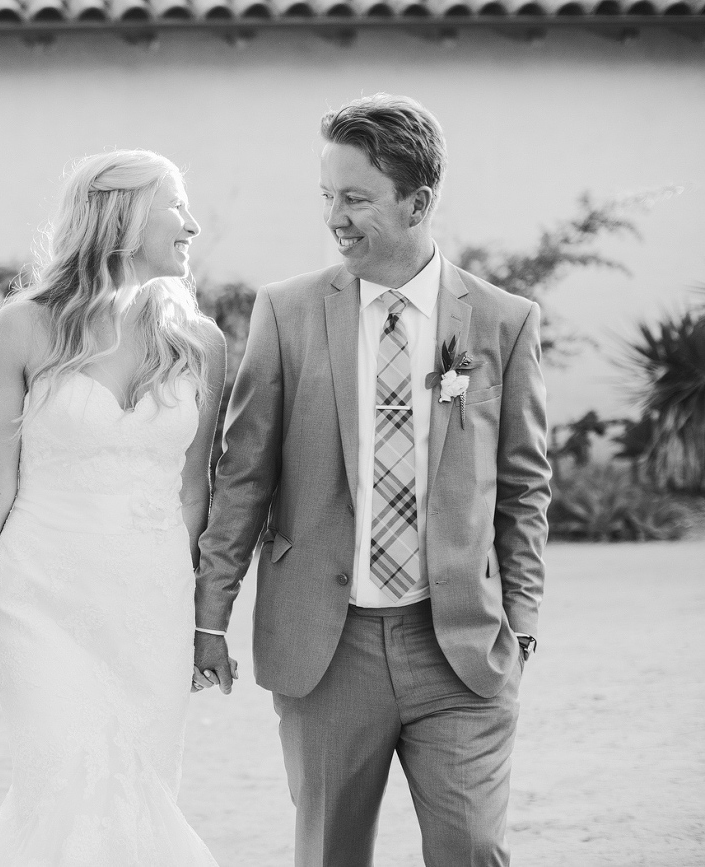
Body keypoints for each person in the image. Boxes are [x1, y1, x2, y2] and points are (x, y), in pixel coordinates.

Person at [192, 94, 550, 867]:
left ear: (417, 201)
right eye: (327, 196)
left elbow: (523, 485)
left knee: (472, 849)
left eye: (355, 198)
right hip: (327, 647)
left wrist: (519, 618)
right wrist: (209, 616)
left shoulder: (502, 321)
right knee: (330, 855)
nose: (335, 217)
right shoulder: (284, 313)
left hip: (456, 641)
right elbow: (243, 477)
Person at [0, 148, 228, 865]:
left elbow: (196, 491)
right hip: (45, 598)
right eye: (177, 204)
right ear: (124, 218)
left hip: (149, 604)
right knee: (62, 781)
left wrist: (199, 617)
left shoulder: (201, 343)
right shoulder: (23, 328)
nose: (191, 223)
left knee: (141, 788)